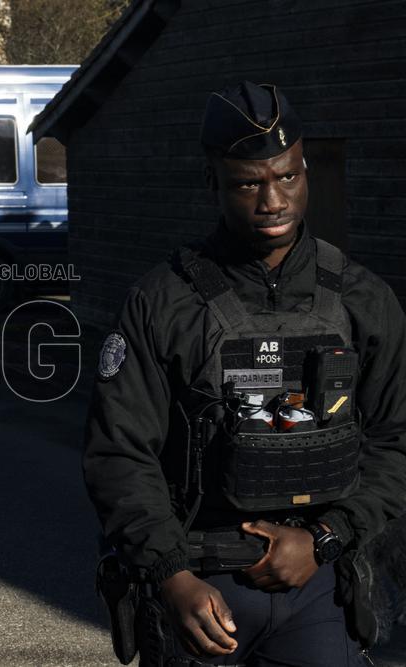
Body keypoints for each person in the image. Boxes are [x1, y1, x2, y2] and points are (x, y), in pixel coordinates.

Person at [83, 81, 406, 666]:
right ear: (213, 183)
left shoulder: (363, 300)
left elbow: (396, 441)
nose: (272, 201)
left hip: (319, 591)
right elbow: (120, 453)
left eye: (287, 176)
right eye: (248, 183)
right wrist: (170, 575)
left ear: (304, 168)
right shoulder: (163, 303)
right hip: (201, 591)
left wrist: (325, 536)